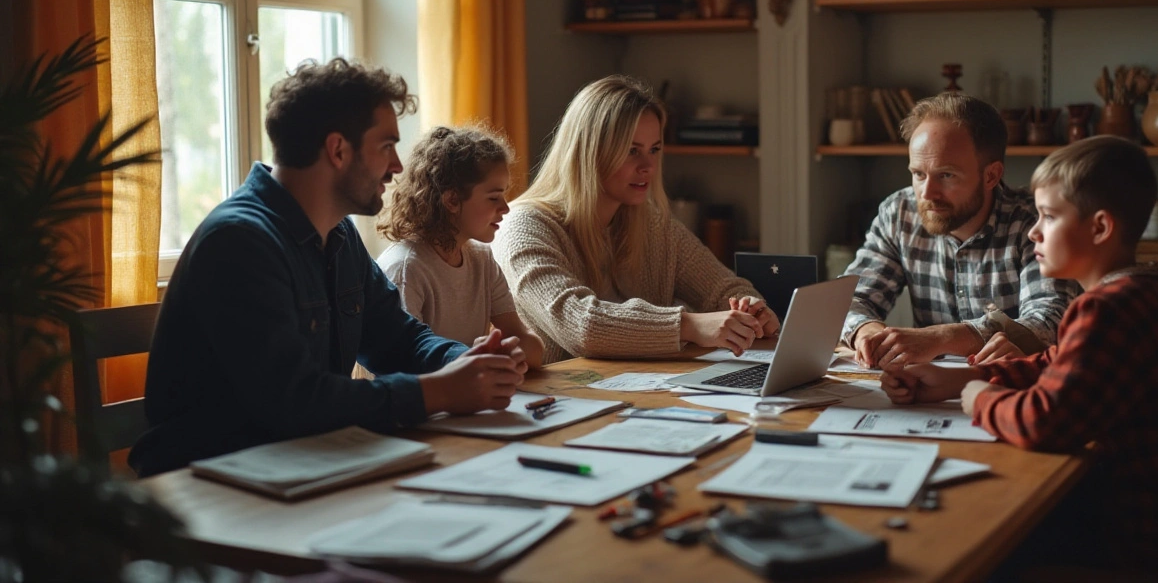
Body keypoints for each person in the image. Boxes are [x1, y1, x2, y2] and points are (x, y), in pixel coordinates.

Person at [130, 59, 526, 477]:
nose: (397, 166)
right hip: (211, 482)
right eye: (386, 146)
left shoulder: (338, 236)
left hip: (300, 462)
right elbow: (296, 401)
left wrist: (471, 362)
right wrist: (440, 390)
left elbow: (398, 338)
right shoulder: (239, 242)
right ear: (338, 150)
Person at [879, 136, 1158, 576]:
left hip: (1151, 541)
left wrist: (979, 397)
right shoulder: (1154, 291)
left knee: (975, 540)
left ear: (1099, 228)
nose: (1034, 230)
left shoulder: (1106, 310)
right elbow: (1056, 364)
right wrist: (956, 380)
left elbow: (1044, 422)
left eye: (1049, 217)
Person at [492, 74, 780, 364]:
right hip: (554, 403)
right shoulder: (521, 228)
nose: (648, 166)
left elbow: (723, 288)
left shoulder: (653, 225)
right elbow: (583, 327)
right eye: (632, 151)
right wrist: (690, 326)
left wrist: (750, 310)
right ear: (589, 153)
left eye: (654, 149)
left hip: (640, 395)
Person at [839, 92, 1079, 369]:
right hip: (922, 391)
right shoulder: (899, 212)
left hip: (1005, 388)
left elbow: (1049, 321)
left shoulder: (1034, 223)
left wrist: (941, 337)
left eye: (946, 175)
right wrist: (866, 331)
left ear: (991, 175)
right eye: (918, 174)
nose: (927, 193)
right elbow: (848, 300)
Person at [376, 125, 544, 368]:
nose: (506, 208)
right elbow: (401, 365)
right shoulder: (407, 268)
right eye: (494, 197)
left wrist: (507, 353)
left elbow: (531, 346)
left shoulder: (482, 259)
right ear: (452, 200)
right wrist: (475, 361)